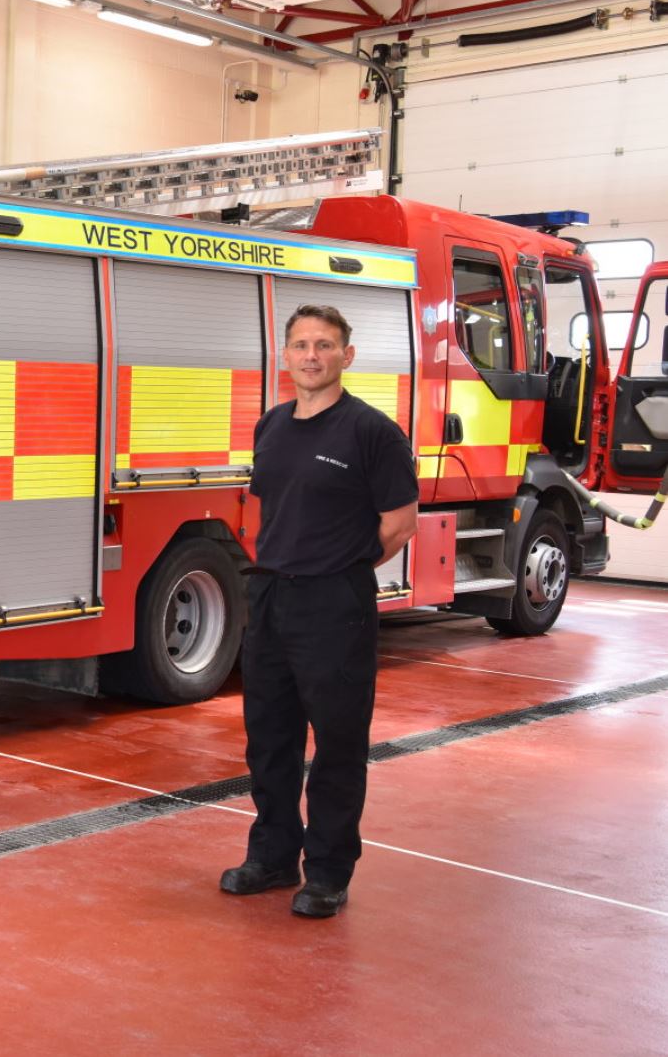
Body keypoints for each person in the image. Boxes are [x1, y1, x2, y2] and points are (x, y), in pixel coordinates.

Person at [220, 304, 418, 918]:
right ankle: (273, 857)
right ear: (286, 356)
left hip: (335, 604)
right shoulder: (272, 425)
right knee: (270, 739)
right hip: (272, 597)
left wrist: (339, 569)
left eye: (325, 345)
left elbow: (399, 524)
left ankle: (328, 872)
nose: (312, 355)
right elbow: (270, 508)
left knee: (336, 744)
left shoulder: (372, 432)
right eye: (301, 345)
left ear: (346, 356)